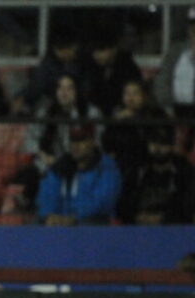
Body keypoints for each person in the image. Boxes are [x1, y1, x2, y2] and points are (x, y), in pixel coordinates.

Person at [19, 74, 102, 206]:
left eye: (69, 89)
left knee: (64, 167)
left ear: (77, 91)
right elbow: (30, 138)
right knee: (30, 173)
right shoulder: (45, 112)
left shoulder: (91, 113)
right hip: (49, 160)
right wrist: (42, 155)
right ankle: (30, 204)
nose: (64, 93)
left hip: (81, 160)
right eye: (61, 88)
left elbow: (97, 143)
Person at [35, 123, 122, 225]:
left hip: (94, 226)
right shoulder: (60, 166)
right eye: (73, 140)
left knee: (90, 222)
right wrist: (49, 216)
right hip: (62, 226)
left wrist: (74, 218)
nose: (75, 145)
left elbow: (103, 203)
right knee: (38, 222)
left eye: (81, 140)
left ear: (92, 141)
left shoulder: (106, 168)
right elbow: (46, 196)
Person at [116, 125, 194, 225]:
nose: (157, 148)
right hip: (138, 230)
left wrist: (163, 219)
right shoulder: (137, 170)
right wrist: (135, 217)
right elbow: (123, 205)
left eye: (163, 143)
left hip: (171, 230)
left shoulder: (183, 171)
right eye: (154, 142)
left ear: (172, 145)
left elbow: (188, 208)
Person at [100, 80, 168, 181]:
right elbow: (107, 143)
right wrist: (116, 123)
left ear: (144, 96)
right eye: (127, 93)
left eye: (135, 93)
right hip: (122, 164)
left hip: (148, 163)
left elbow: (157, 139)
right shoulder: (117, 114)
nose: (130, 98)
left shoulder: (156, 114)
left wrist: (137, 118)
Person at [12, 25, 89, 115]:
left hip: (75, 103)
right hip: (51, 102)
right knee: (13, 79)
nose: (75, 51)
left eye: (75, 48)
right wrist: (22, 98)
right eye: (72, 49)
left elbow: (84, 88)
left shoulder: (81, 62)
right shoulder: (49, 63)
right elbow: (37, 86)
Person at [83, 29, 143, 117]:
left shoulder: (128, 67)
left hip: (125, 116)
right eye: (94, 51)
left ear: (114, 49)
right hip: (99, 116)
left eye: (101, 50)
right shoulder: (93, 67)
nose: (96, 55)